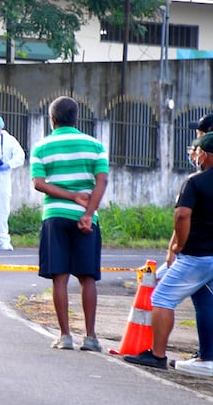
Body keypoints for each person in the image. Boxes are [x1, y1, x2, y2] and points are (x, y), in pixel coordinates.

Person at [124, 131, 213, 374]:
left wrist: (179, 244)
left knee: (162, 298)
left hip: (197, 255)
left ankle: (157, 354)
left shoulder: (196, 182)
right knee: (206, 301)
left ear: (204, 154)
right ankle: (207, 357)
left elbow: (182, 214)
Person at [30, 96, 109, 352]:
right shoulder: (95, 145)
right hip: (85, 218)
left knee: (60, 278)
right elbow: (102, 181)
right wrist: (87, 212)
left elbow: (39, 184)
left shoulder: (42, 146)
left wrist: (68, 195)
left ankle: (64, 336)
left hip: (54, 216)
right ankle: (91, 337)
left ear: (52, 119)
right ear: (76, 118)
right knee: (87, 278)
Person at [0, 115, 26, 250]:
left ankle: (3, 241)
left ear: (1, 125)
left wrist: (8, 164)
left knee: (2, 211)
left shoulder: (9, 140)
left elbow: (20, 157)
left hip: (2, 178)